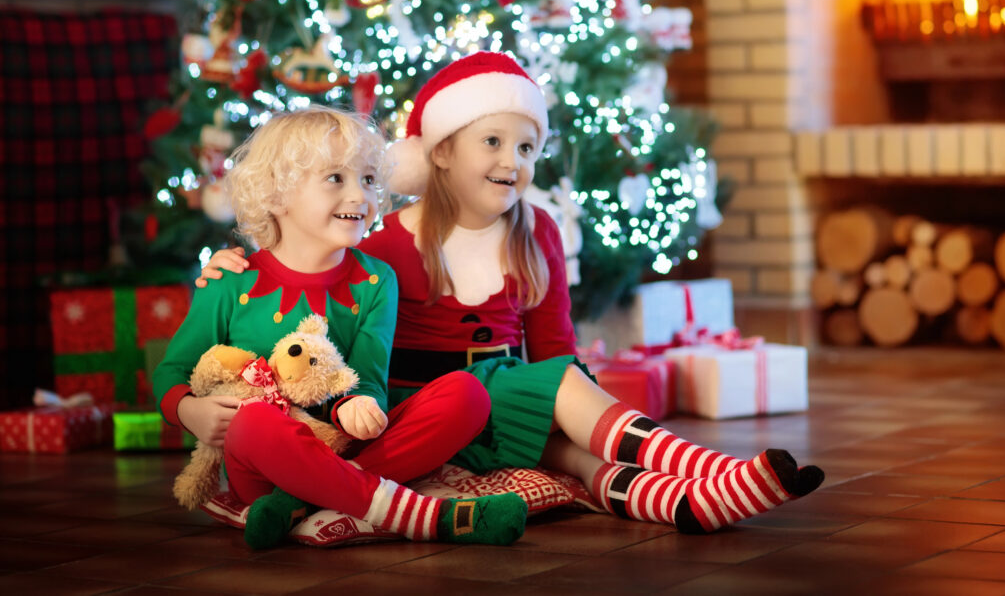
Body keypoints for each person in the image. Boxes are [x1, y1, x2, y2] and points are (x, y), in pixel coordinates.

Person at [201, 54, 824, 534]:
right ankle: (710, 467)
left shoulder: (537, 231)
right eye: (493, 142)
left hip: (509, 397)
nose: (512, 161)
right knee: (553, 396)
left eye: (527, 147)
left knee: (576, 457)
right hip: (430, 408)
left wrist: (571, 406)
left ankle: (692, 501)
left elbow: (553, 343)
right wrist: (237, 262)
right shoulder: (386, 244)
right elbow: (309, 275)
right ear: (442, 151)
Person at [156, 106, 527, 550]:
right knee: (254, 421)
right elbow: (172, 371)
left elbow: (368, 378)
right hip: (265, 460)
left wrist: (361, 406)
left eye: (368, 179)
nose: (360, 195)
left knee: (467, 394)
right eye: (336, 178)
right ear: (276, 195)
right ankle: (421, 515)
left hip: (349, 447)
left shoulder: (376, 280)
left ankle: (306, 501)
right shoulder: (230, 280)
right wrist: (189, 412)